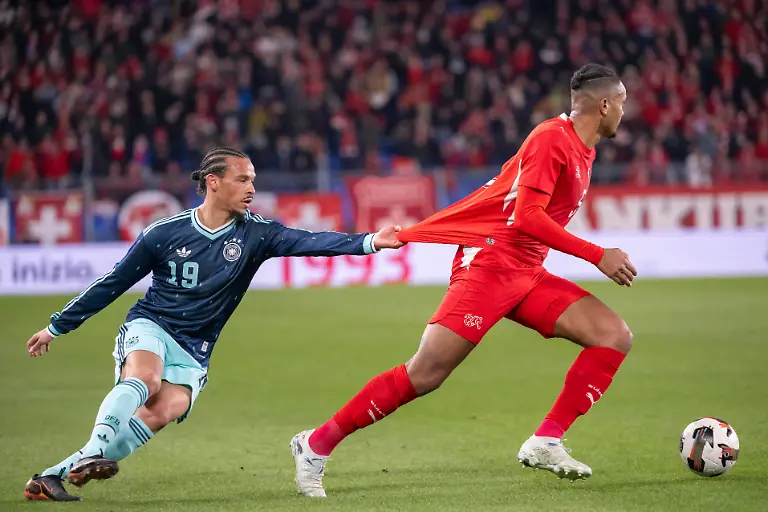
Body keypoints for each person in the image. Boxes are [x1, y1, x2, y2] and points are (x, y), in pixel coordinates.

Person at [291, 64, 637, 497]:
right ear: (604, 104)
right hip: (490, 262)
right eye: (622, 101)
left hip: (526, 271)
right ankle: (315, 445)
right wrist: (596, 254)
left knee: (612, 335)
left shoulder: (584, 149)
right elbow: (525, 217)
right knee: (426, 373)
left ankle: (546, 440)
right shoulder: (553, 138)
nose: (625, 110)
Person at [23, 147, 405, 501]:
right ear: (213, 181)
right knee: (145, 381)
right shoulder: (164, 233)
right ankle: (92, 453)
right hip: (152, 324)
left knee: (164, 409)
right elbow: (112, 283)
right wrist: (57, 326)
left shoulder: (256, 234)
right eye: (243, 179)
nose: (252, 188)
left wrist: (371, 241)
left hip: (196, 348)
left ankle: (50, 477)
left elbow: (310, 240)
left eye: (253, 180)